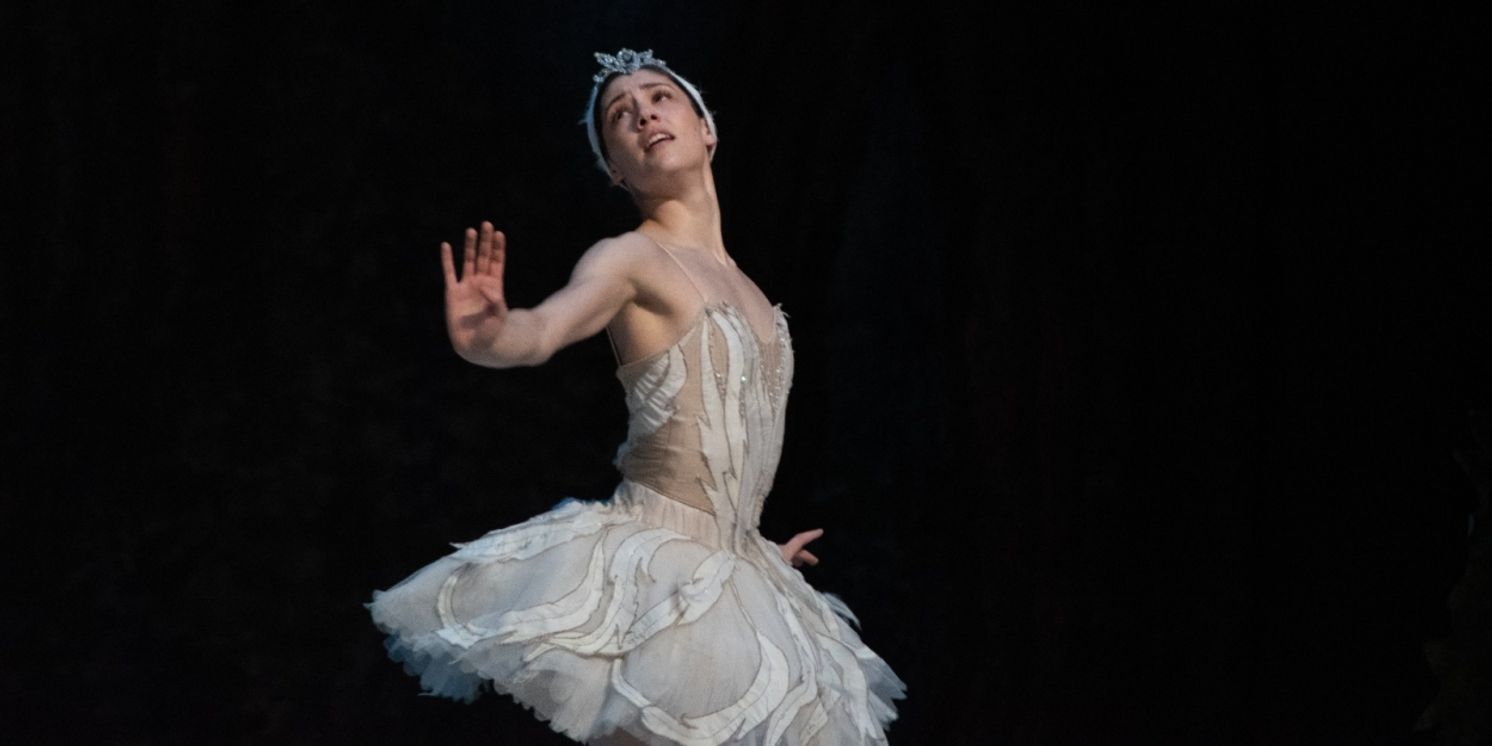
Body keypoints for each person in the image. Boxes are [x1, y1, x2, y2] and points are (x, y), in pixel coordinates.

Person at [367, 48, 906, 745]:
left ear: (706, 128)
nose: (644, 113)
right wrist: (491, 336)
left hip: (739, 574)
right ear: (616, 168)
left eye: (660, 97)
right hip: (657, 566)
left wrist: (750, 548)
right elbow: (543, 329)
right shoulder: (629, 257)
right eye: (622, 115)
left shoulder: (751, 291)